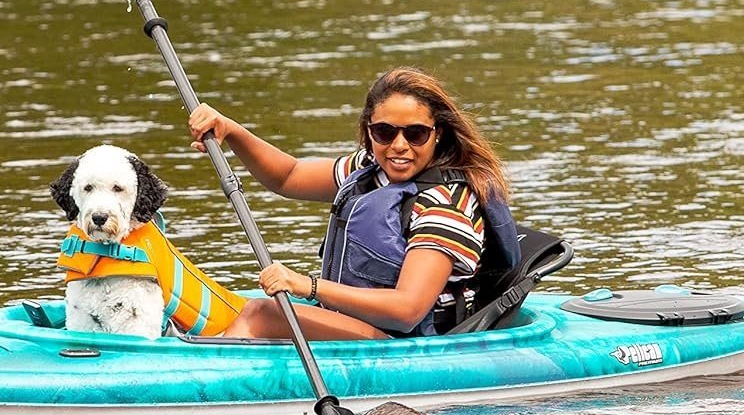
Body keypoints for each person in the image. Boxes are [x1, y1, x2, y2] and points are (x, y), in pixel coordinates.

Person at [187, 67, 517, 341]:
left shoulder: (446, 204)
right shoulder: (370, 166)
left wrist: (308, 286)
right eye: (384, 132)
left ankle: (206, 385)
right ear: (368, 131)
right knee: (244, 307)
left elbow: (407, 310)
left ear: (437, 133)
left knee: (261, 313)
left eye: (415, 134)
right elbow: (288, 176)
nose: (399, 146)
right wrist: (231, 131)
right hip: (355, 320)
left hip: (406, 342)